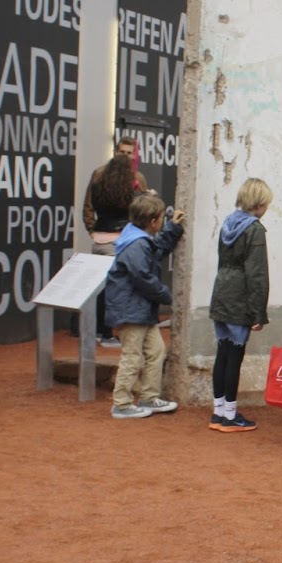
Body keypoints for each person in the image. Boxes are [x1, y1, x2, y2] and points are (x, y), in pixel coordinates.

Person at [104, 192, 185, 420]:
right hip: (132, 310)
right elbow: (142, 276)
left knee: (156, 351)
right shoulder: (137, 244)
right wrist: (164, 294)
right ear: (153, 221)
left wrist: (172, 228)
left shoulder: (137, 238)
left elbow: (156, 250)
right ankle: (121, 403)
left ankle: (149, 397)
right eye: (161, 218)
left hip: (140, 310)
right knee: (132, 356)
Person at [207, 177, 273, 433]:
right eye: (265, 204)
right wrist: (259, 312)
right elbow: (257, 274)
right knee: (235, 356)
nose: (266, 209)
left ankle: (218, 412)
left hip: (221, 291)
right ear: (257, 203)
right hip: (239, 297)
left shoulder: (228, 222)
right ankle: (230, 415)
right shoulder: (254, 230)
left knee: (222, 353)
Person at [81, 135, 149, 346]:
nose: (125, 156)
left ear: (134, 155)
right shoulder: (99, 174)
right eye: (122, 152)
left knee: (112, 287)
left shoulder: (137, 177)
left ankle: (104, 330)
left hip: (121, 240)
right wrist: (92, 230)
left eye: (129, 153)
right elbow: (88, 206)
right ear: (115, 151)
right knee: (107, 287)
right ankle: (103, 331)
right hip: (108, 240)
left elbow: (142, 210)